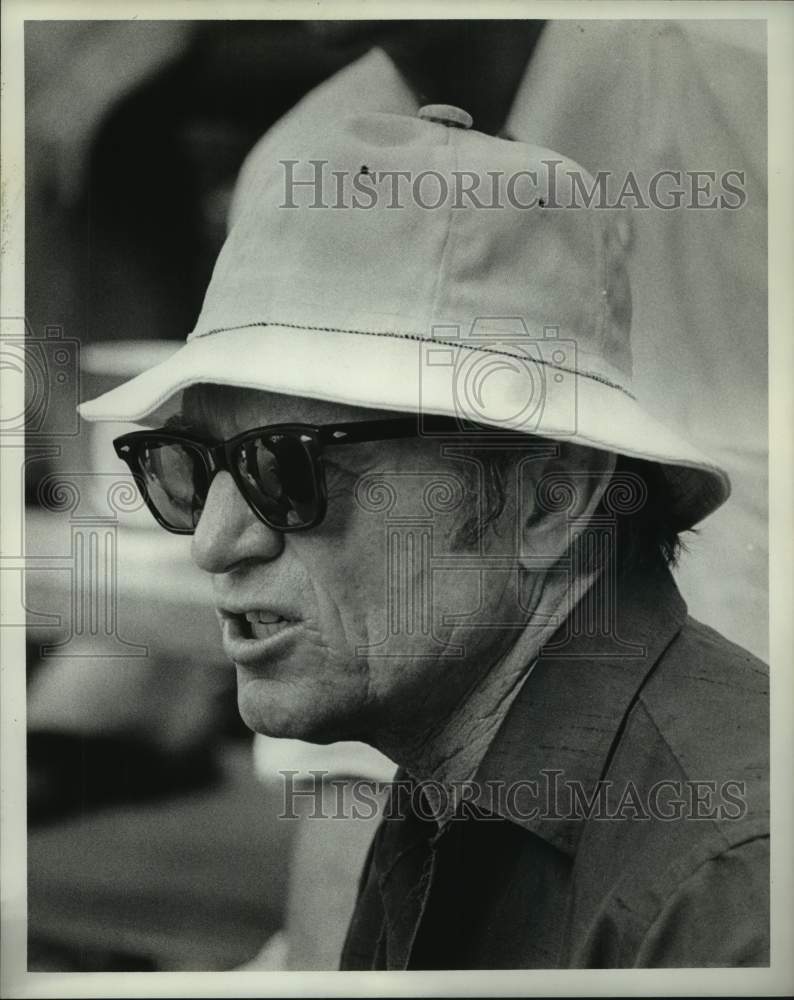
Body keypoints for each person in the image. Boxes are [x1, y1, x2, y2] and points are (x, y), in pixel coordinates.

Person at [79, 105, 768, 968]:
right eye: (189, 464)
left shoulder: (729, 892)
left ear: (550, 499)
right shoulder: (449, 778)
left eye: (289, 467)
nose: (216, 542)